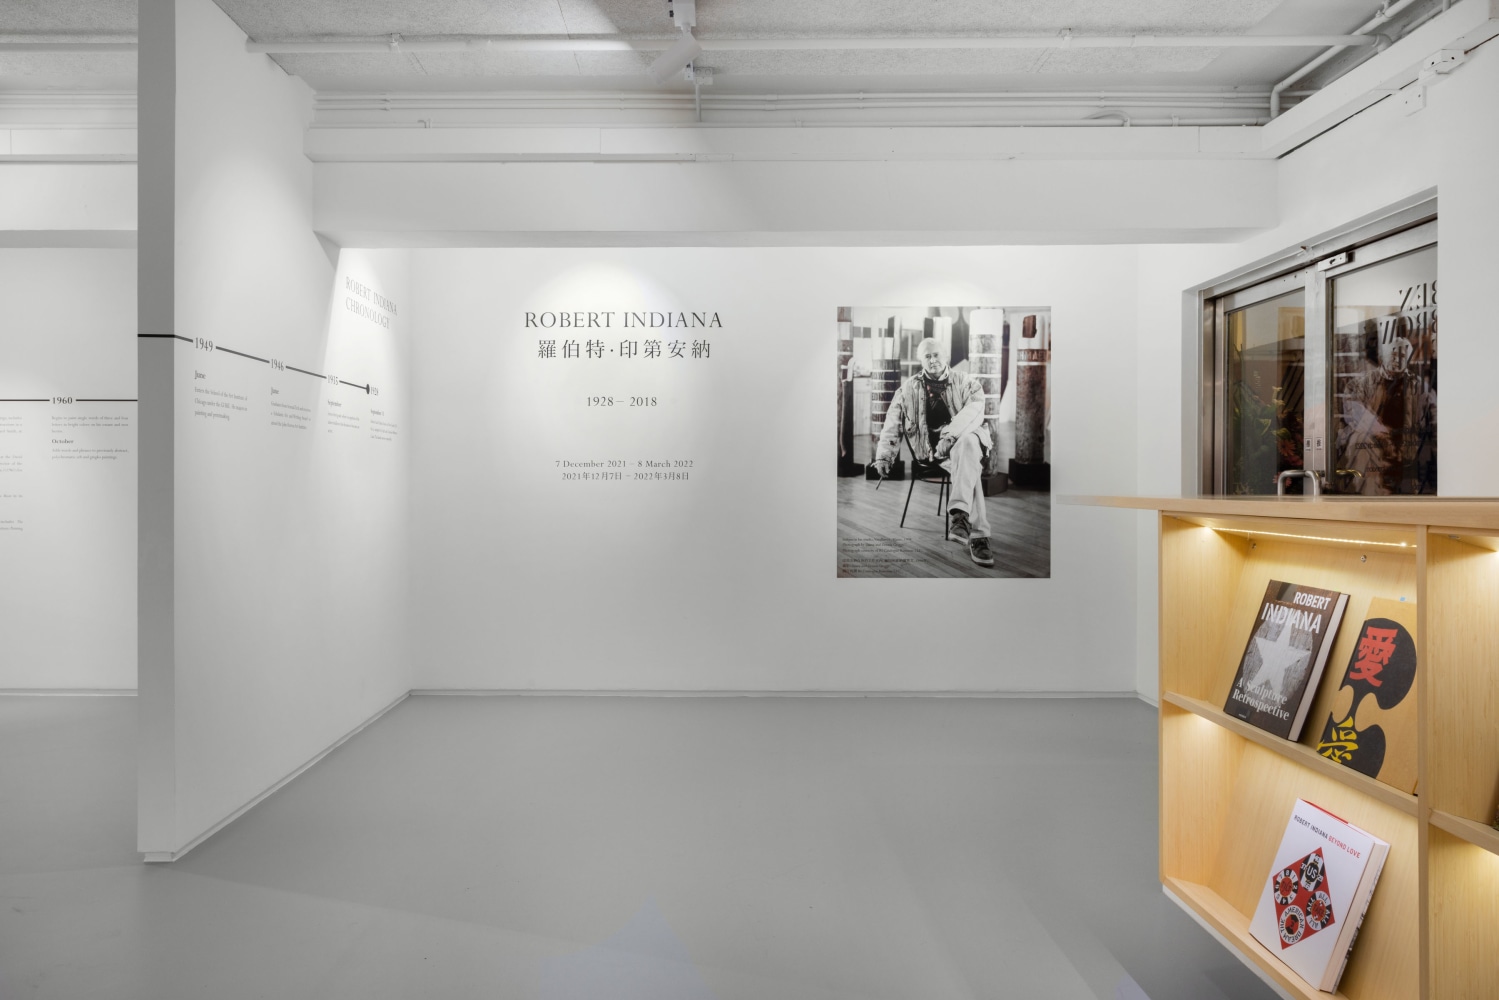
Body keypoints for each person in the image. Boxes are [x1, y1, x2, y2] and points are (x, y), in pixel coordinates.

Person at [871, 337, 994, 568]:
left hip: (959, 444)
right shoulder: (907, 389)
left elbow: (975, 410)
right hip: (928, 452)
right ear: (921, 360)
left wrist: (950, 436)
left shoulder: (966, 382)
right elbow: (892, 424)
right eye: (927, 356)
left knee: (967, 446)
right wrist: (884, 455)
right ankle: (976, 533)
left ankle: (962, 519)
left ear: (945, 356)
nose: (933, 360)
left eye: (936, 354)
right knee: (970, 468)